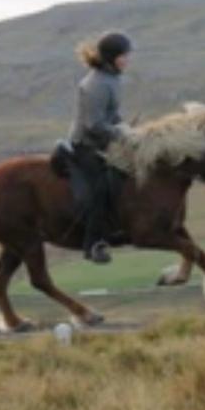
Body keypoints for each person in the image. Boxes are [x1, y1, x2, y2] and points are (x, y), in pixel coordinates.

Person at [69, 31, 133, 264]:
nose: (127, 59)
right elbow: (93, 124)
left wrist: (126, 127)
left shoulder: (112, 79)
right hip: (86, 145)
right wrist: (121, 132)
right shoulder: (96, 84)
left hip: (103, 143)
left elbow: (112, 113)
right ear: (112, 57)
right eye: (123, 55)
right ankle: (93, 244)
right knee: (101, 188)